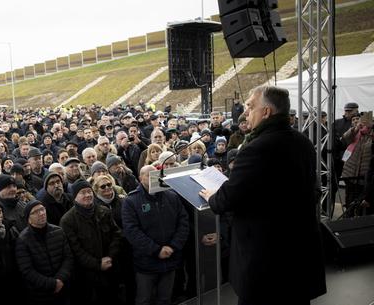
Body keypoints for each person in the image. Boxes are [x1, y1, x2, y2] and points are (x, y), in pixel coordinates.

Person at [199, 86, 326, 305]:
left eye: (250, 106)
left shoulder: (257, 148)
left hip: (267, 262)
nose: (245, 112)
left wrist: (212, 195)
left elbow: (227, 200)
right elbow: (312, 191)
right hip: (299, 256)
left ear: (266, 112)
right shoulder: (302, 142)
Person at [122, 165, 189, 305]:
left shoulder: (172, 196)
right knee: (144, 299)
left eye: (156, 174)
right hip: (146, 263)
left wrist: (173, 246)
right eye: (149, 175)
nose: (154, 177)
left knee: (165, 299)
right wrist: (156, 250)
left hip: (170, 259)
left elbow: (183, 222)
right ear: (140, 178)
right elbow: (132, 231)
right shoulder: (131, 201)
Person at [60, 180, 121, 305]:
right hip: (87, 277)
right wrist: (98, 264)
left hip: (110, 269)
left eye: (89, 191)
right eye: (83, 193)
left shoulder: (104, 211)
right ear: (75, 197)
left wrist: (110, 256)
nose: (88, 195)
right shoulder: (68, 221)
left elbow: (116, 235)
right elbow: (76, 250)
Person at [15, 200, 74, 305]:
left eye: (42, 209)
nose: (41, 213)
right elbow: (27, 270)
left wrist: (60, 279)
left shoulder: (58, 231)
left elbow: (68, 257)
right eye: (36, 212)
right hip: (40, 294)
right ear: (29, 218)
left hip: (63, 288)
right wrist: (52, 284)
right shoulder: (23, 240)